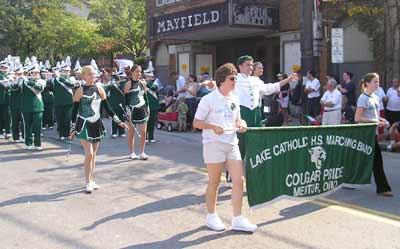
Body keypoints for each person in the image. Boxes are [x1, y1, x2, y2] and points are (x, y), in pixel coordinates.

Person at [193, 63, 257, 232]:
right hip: (213, 144)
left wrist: (242, 124)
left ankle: (237, 218)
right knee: (214, 182)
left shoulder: (235, 99)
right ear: (222, 80)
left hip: (231, 143)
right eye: (232, 79)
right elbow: (196, 123)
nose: (235, 81)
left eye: (235, 78)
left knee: (239, 181)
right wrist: (213, 127)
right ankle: (211, 216)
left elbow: (237, 120)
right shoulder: (209, 99)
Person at [70, 65, 127, 193]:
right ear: (83, 76)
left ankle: (91, 179)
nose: (92, 76)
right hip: (84, 124)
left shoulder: (100, 88)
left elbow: (108, 108)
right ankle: (87, 182)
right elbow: (74, 112)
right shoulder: (79, 91)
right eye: (89, 74)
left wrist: (118, 121)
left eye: (93, 74)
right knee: (89, 154)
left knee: (94, 155)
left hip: (96, 124)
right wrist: (72, 128)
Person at [234, 55, 297, 157]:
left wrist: (287, 80)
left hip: (256, 113)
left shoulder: (256, 80)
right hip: (242, 114)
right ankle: (234, 171)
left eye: (251, 65)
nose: (250, 67)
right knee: (239, 145)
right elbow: (220, 85)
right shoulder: (235, 79)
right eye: (247, 65)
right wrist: (210, 84)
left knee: (256, 144)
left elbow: (269, 88)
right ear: (240, 66)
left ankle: (255, 170)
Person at [354, 72, 392, 197]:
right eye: (375, 81)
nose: (377, 84)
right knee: (377, 161)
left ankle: (347, 179)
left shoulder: (375, 97)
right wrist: (375, 122)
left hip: (373, 133)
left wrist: (383, 121)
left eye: (378, 81)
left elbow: (376, 116)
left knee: (362, 160)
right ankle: (383, 188)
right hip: (364, 134)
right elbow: (357, 118)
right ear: (367, 83)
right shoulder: (362, 98)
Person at [124, 65, 150, 160]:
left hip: (142, 109)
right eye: (137, 71)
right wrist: (128, 112)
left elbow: (145, 97)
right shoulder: (128, 84)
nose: (139, 73)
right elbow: (125, 100)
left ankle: (142, 152)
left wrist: (148, 108)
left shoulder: (142, 83)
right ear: (132, 72)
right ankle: (132, 152)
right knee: (131, 132)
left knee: (143, 132)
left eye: (140, 72)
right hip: (132, 110)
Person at [21, 65, 46, 150]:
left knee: (37, 126)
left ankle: (37, 144)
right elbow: (14, 88)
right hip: (26, 107)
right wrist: (17, 78)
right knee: (27, 126)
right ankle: (28, 143)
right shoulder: (22, 81)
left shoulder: (42, 81)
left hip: (38, 106)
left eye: (37, 72)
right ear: (30, 73)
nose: (37, 74)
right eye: (34, 72)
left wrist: (27, 80)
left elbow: (39, 88)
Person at [53, 64, 78, 140]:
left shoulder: (71, 78)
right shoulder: (56, 79)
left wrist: (59, 77)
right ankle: (61, 134)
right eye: (65, 71)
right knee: (60, 119)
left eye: (68, 71)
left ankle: (67, 134)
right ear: (61, 71)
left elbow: (71, 85)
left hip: (69, 102)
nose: (67, 73)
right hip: (58, 102)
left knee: (67, 119)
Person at [103, 72, 127, 138]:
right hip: (113, 104)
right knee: (115, 118)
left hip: (122, 103)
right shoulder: (112, 84)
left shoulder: (124, 83)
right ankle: (114, 132)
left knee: (122, 118)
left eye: (121, 77)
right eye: (119, 77)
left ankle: (122, 132)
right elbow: (105, 89)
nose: (120, 78)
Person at [9, 66, 25, 142]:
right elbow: (13, 89)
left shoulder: (24, 80)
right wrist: (14, 81)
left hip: (23, 104)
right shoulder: (11, 80)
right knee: (15, 121)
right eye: (17, 74)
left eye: (20, 74)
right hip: (14, 104)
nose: (19, 75)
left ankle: (24, 136)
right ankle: (16, 137)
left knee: (23, 122)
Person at [145, 72, 160, 142]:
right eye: (148, 76)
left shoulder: (155, 83)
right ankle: (145, 137)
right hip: (145, 105)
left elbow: (154, 88)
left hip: (153, 106)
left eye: (151, 76)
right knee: (145, 122)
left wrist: (147, 83)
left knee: (152, 122)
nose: (150, 78)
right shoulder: (143, 83)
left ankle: (151, 137)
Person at [0, 61, 11, 139]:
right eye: (3, 67)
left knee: (8, 116)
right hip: (1, 99)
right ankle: (0, 132)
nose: (5, 69)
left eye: (6, 68)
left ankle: (8, 131)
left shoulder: (10, 75)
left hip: (8, 99)